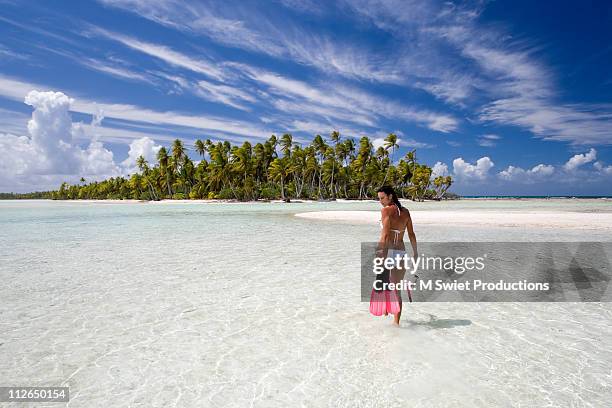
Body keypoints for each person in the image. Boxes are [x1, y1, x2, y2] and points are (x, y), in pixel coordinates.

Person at [370, 186, 418, 326]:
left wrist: (380, 254)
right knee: (396, 289)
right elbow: (411, 234)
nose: (380, 201)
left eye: (382, 198)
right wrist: (415, 252)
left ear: (390, 196)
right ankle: (395, 323)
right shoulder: (406, 212)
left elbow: (385, 235)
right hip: (401, 253)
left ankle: (386, 314)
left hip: (387, 252)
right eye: (379, 198)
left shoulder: (386, 211)